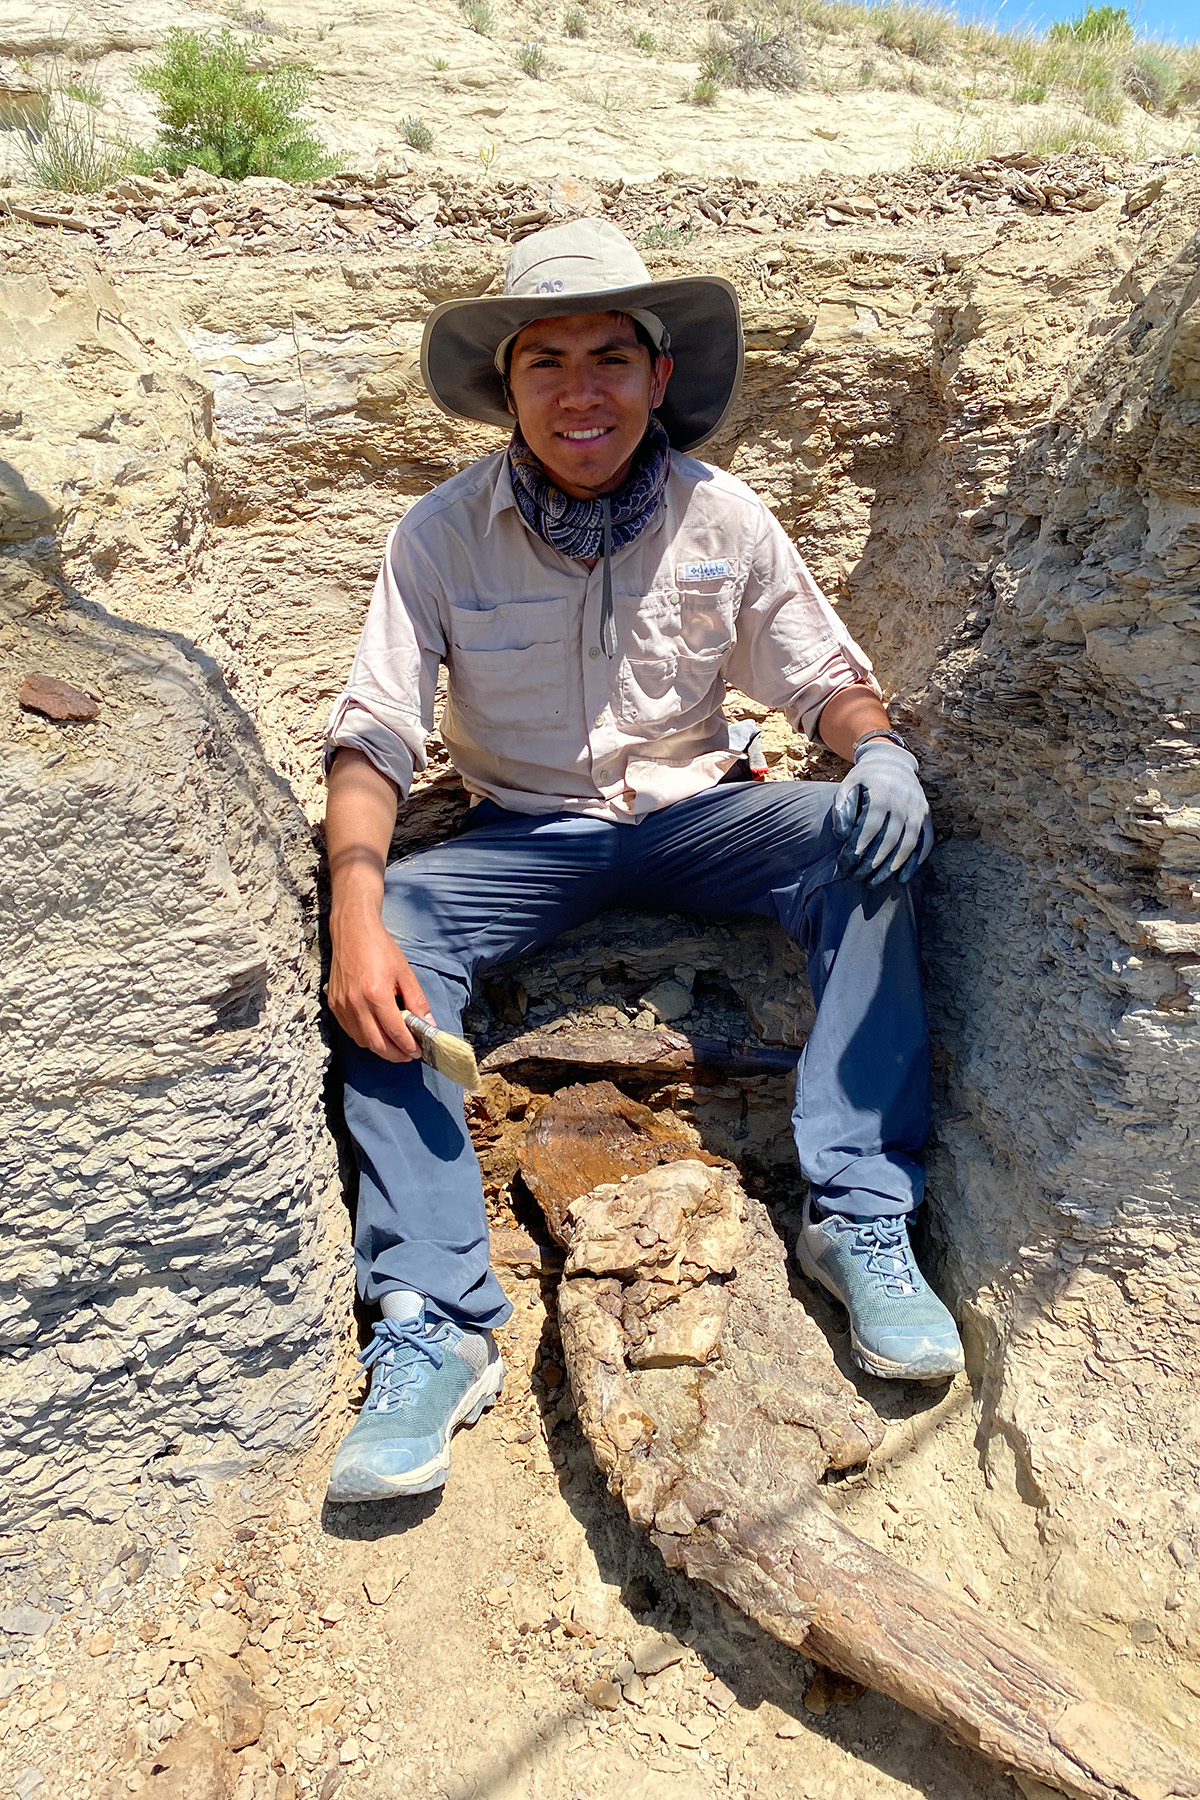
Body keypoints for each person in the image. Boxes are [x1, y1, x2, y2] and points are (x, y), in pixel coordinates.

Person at [321, 219, 964, 1505]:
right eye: (546, 360)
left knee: (866, 840)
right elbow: (376, 731)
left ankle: (858, 1217)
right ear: (508, 386)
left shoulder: (724, 515)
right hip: (522, 834)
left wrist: (880, 752)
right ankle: (436, 1320)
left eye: (609, 357)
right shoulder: (439, 535)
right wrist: (353, 907)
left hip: (700, 815)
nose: (581, 391)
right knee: (395, 934)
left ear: (658, 377)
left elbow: (822, 676)